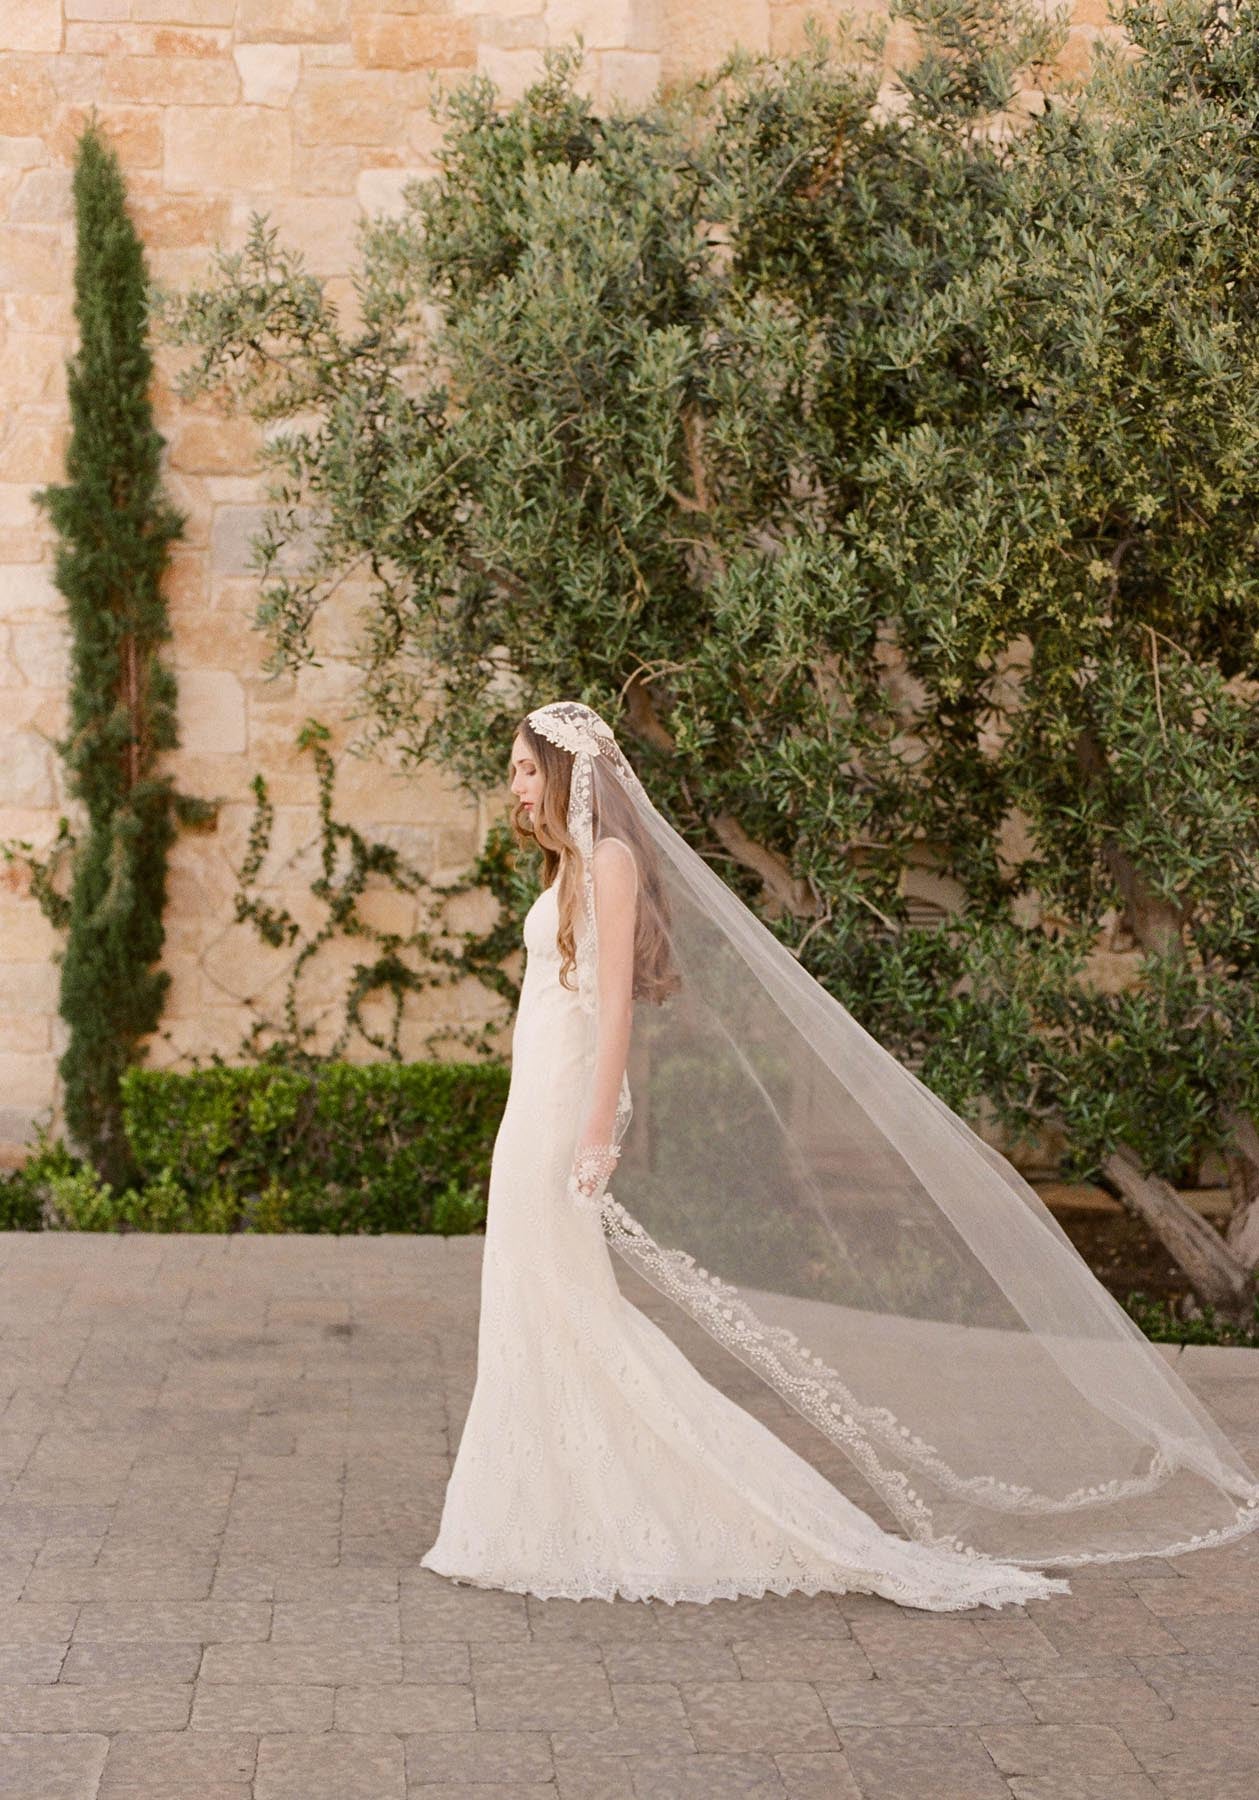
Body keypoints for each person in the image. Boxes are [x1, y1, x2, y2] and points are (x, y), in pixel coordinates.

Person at [419, 701, 1259, 1609]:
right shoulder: (567, 869)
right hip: (528, 1106)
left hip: (559, 1112)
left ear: (568, 772)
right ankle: (529, 1506)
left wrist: (595, 1132)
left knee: (570, 1306)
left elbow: (615, 1009)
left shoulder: (612, 863)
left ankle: (652, 1502)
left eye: (523, 767)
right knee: (528, 1299)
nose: (513, 783)